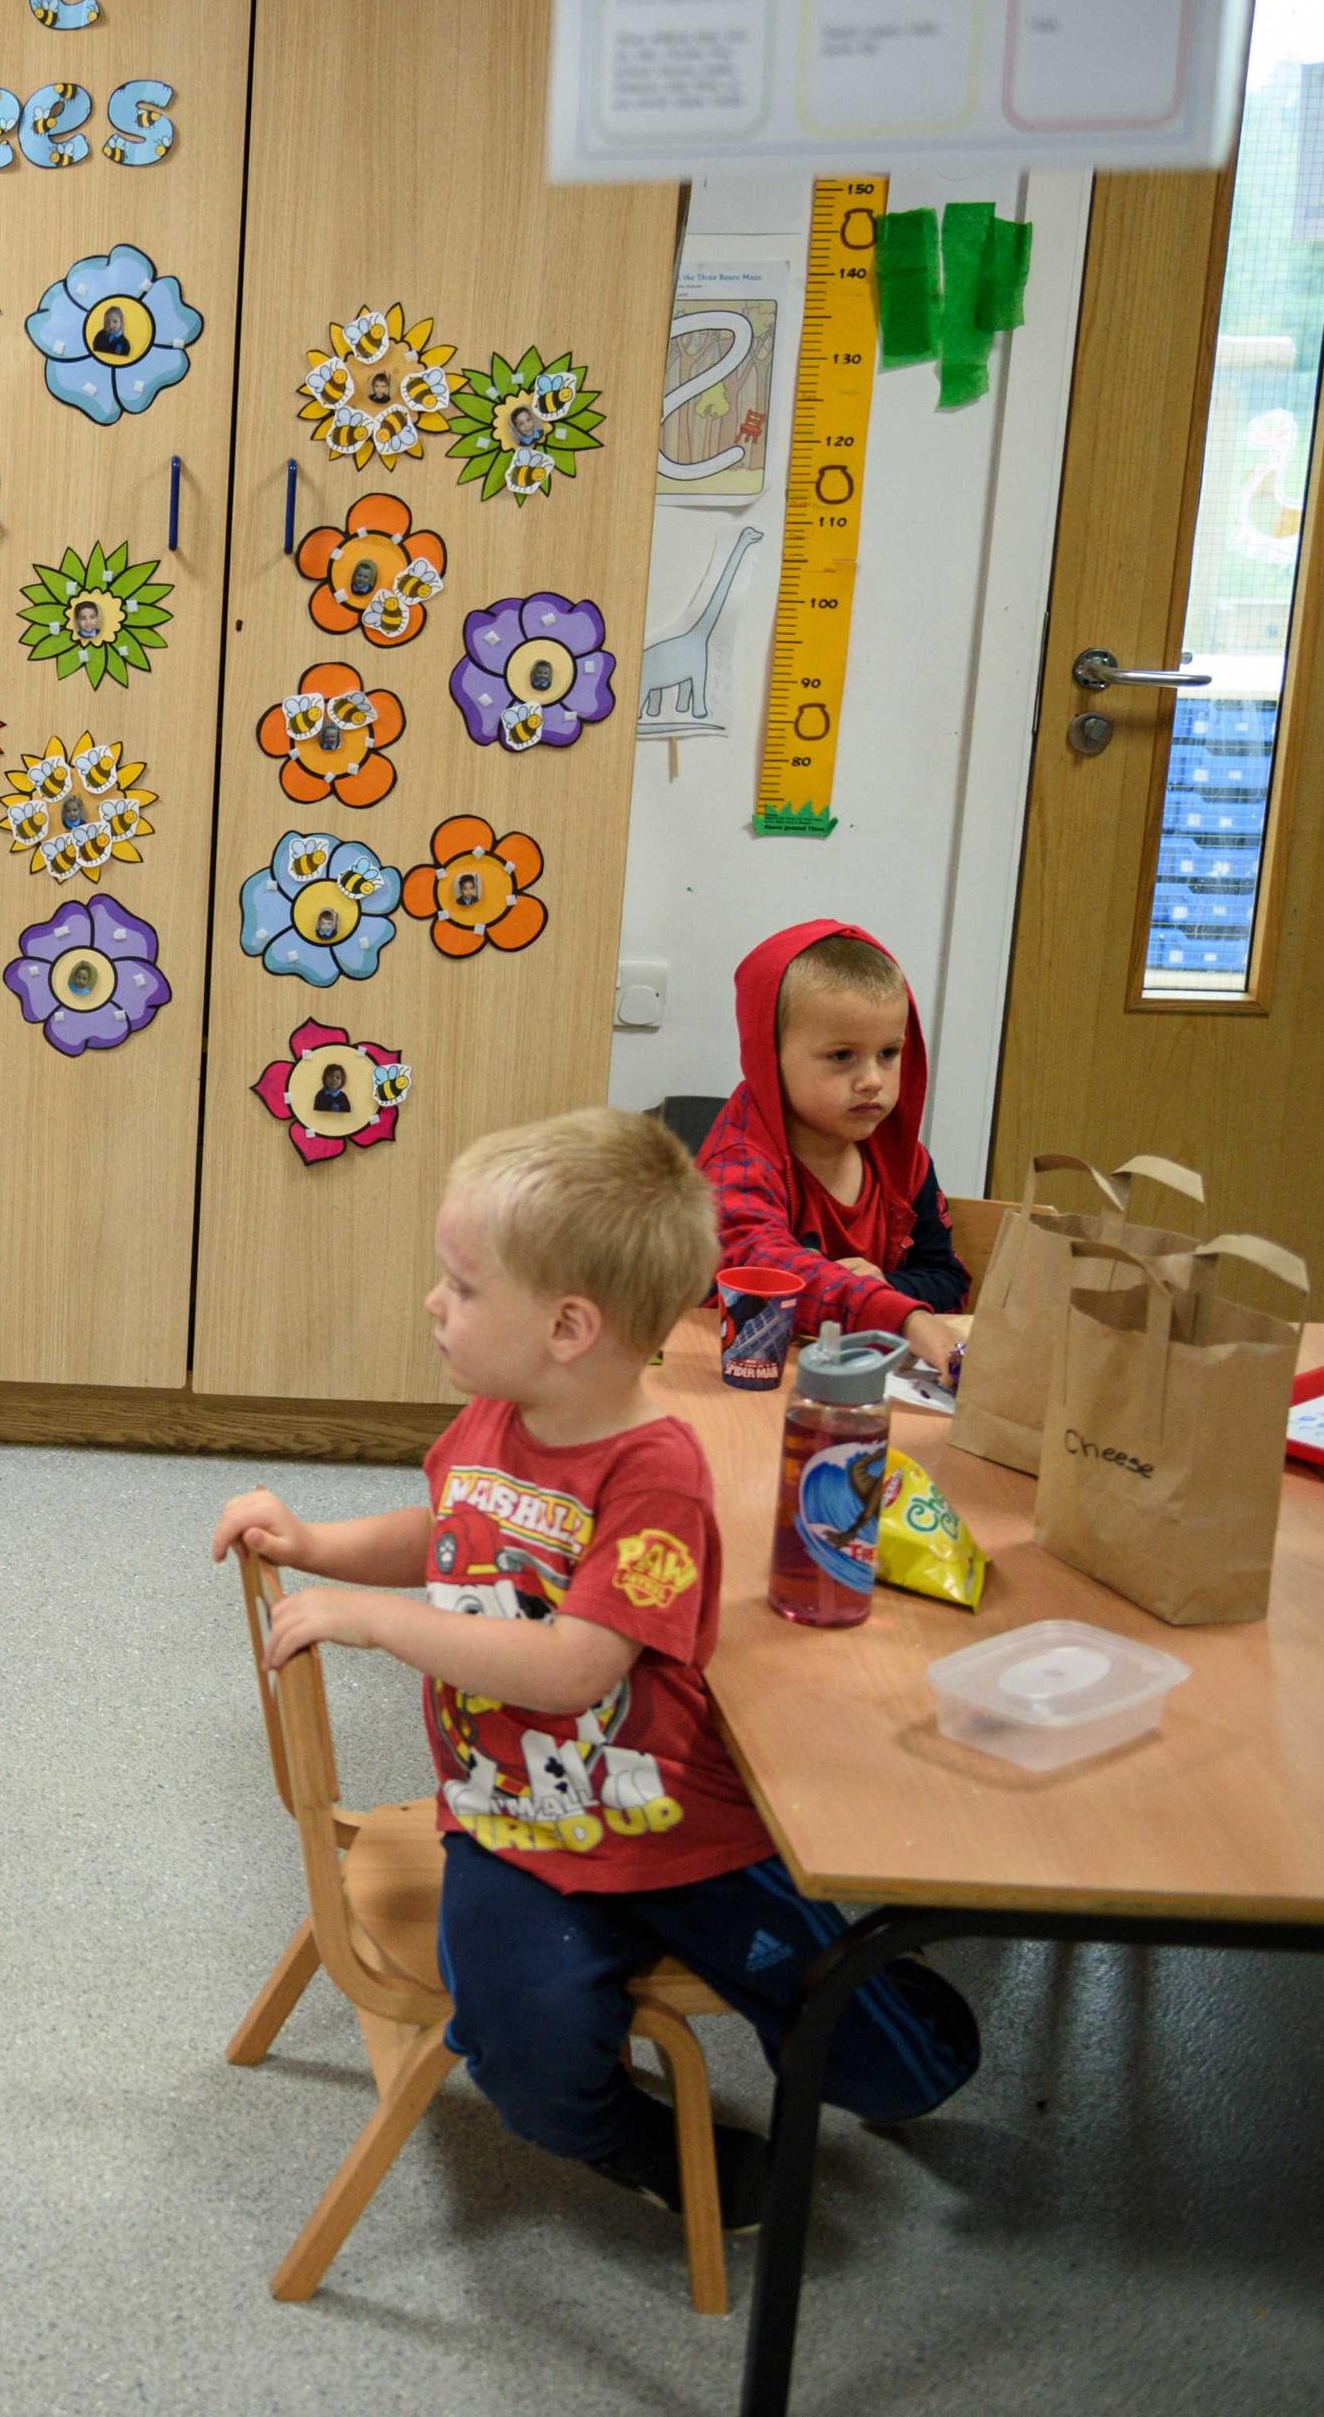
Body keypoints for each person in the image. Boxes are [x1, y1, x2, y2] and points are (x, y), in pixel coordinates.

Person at [214, 1108, 976, 2227]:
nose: (436, 1301)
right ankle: (651, 2145)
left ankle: (900, 2006)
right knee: (521, 2054)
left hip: (678, 1833)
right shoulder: (497, 1413)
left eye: (463, 1287)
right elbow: (449, 1526)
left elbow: (574, 1668)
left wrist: (373, 1623)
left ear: (569, 1325)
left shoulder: (655, 1473)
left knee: (886, 2065)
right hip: (509, 1825)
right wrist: (319, 1545)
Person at [698, 921, 972, 1366]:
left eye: (889, 1053)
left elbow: (948, 1280)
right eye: (842, 1056)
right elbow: (765, 1270)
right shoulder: (737, 1162)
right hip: (739, 1385)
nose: (872, 1081)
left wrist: (886, 1290)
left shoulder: (906, 1163)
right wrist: (900, 1317)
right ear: (769, 1057)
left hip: (854, 1386)